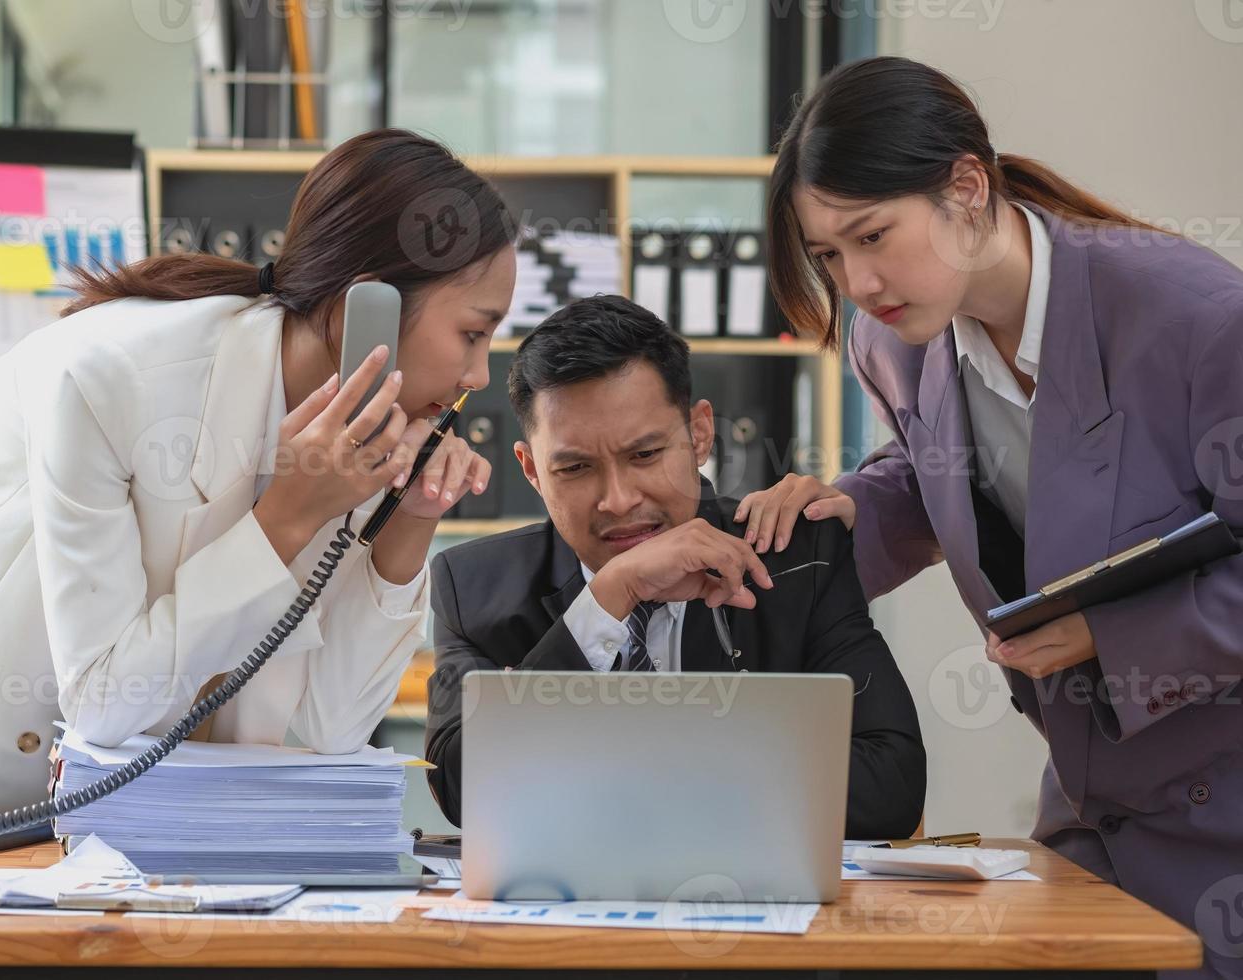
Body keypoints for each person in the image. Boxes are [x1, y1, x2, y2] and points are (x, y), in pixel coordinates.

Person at [0, 129, 518, 818]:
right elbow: (105, 698)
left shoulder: (356, 440)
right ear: (369, 306)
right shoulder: (110, 376)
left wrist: (409, 525)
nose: (479, 375)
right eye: (472, 333)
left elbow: (327, 729)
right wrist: (285, 517)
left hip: (48, 808)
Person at [737, 57, 1243, 978]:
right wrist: (842, 505)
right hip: (1092, 805)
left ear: (966, 186)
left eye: (872, 236)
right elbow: (947, 478)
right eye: (828, 256)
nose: (856, 280)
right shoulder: (890, 339)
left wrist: (1109, 633)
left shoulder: (1198, 319)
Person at [423, 295, 927, 838]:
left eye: (644, 455)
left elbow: (890, 787)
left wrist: (634, 774)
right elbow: (464, 789)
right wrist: (608, 599)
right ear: (532, 471)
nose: (617, 499)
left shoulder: (794, 556)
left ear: (700, 433)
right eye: (574, 467)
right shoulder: (471, 586)